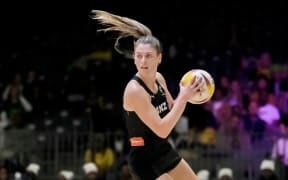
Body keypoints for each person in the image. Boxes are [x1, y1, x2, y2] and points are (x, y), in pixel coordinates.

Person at [91, 10, 202, 180]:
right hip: (144, 159)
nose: (143, 61)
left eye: (149, 56)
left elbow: (172, 111)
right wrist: (183, 97)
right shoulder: (134, 90)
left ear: (159, 58)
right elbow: (163, 129)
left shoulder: (159, 79)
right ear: (134, 59)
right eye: (139, 56)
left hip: (163, 150)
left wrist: (189, 92)